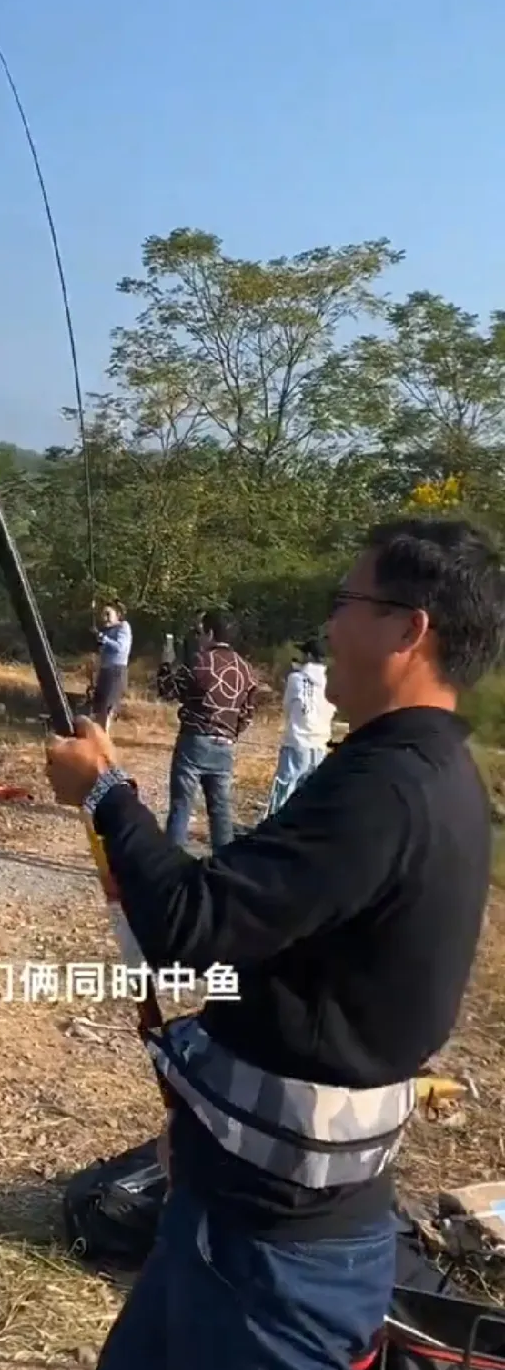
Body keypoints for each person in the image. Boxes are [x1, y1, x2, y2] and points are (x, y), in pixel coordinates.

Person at [46, 517, 505, 1370]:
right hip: (234, 1206)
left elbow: (190, 926)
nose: (329, 628)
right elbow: (276, 952)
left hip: (279, 1255)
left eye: (346, 603)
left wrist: (105, 792)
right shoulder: (425, 770)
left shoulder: (387, 790)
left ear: (411, 629)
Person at [165, 608, 257, 852]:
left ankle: (171, 867)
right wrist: (230, 732)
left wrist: (166, 663)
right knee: (220, 812)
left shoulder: (199, 661)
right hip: (224, 745)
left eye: (199, 631)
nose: (198, 637)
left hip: (194, 741)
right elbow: (247, 714)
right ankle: (223, 869)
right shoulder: (245, 670)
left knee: (181, 806)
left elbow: (168, 691)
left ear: (210, 632)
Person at [266, 634, 336, 816]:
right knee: (309, 795)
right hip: (320, 744)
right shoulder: (330, 682)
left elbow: (288, 708)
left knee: (284, 787)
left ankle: (271, 826)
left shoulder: (296, 679)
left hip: (297, 741)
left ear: (310, 657)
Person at [90, 603, 132, 731]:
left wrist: (104, 639)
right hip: (105, 671)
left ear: (118, 615)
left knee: (107, 709)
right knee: (99, 708)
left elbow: (121, 647)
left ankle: (104, 740)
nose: (105, 617)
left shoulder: (123, 627)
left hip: (116, 671)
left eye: (108, 614)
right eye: (103, 614)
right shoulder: (107, 631)